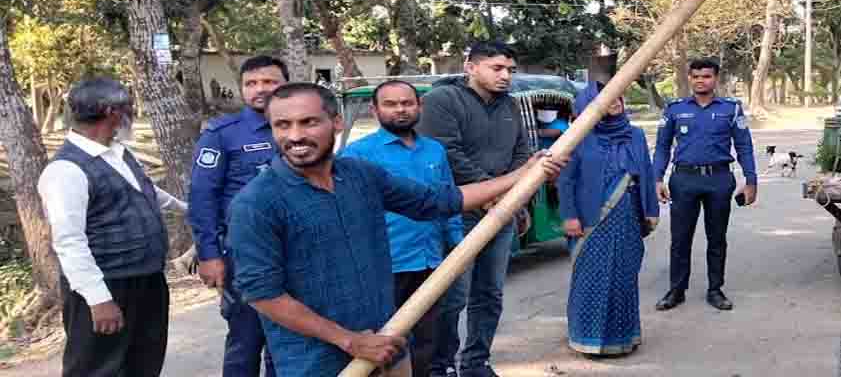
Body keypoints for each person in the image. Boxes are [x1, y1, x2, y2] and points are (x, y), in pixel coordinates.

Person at [227, 83, 565, 376]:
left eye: (309, 122)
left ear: (336, 122)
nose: (295, 136)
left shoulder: (360, 175)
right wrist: (350, 341)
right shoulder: (257, 203)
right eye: (282, 125)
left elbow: (437, 201)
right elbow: (263, 294)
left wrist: (522, 174)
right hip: (317, 363)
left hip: (388, 345)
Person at [38, 78, 188, 377]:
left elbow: (145, 190)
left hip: (146, 279)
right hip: (107, 284)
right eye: (128, 107)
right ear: (112, 112)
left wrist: (188, 210)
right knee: (97, 369)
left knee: (143, 364)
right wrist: (99, 299)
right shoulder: (65, 170)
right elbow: (69, 241)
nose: (132, 113)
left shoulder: (118, 152)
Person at [420, 42, 531, 377]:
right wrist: (491, 191)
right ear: (470, 67)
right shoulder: (442, 100)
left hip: (501, 212)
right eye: (497, 68)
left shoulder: (510, 104)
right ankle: (441, 366)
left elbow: (522, 153)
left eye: (510, 70)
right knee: (452, 297)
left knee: (490, 294)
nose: (505, 76)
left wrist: (514, 201)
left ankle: (476, 362)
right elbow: (446, 152)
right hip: (458, 212)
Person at [341, 80, 464, 377]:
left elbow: (448, 201)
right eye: (391, 104)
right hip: (386, 265)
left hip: (431, 261)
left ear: (419, 107)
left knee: (428, 338)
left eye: (407, 103)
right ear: (375, 110)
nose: (400, 110)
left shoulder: (434, 150)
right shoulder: (357, 155)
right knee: (386, 342)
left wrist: (457, 244)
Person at [188, 55, 288, 377]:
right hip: (245, 255)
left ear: (286, 84)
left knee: (288, 342)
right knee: (246, 341)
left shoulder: (301, 127)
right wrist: (209, 255)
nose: (260, 89)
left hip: (297, 252)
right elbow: (202, 197)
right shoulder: (222, 134)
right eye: (251, 83)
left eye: (270, 81)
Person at [559, 82, 659, 356]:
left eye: (618, 96)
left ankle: (623, 338)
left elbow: (646, 173)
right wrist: (569, 216)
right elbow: (566, 180)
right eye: (606, 98)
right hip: (591, 220)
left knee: (623, 278)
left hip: (628, 217)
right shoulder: (578, 136)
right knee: (591, 278)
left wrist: (651, 211)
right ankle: (588, 339)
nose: (615, 101)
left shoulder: (635, 135)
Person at [653, 58, 757, 312]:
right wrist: (657, 178)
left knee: (717, 238)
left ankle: (715, 290)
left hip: (719, 180)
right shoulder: (674, 109)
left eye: (707, 76)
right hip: (684, 180)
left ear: (716, 79)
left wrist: (751, 180)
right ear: (690, 78)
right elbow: (662, 147)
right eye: (696, 76)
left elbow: (744, 145)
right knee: (680, 239)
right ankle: (676, 290)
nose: (701, 81)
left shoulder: (730, 109)